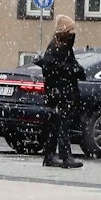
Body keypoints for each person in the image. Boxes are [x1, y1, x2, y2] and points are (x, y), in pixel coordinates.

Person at [36, 17, 86, 169]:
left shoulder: (62, 48)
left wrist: (75, 71)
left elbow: (70, 67)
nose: (74, 35)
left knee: (56, 125)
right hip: (60, 94)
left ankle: (50, 156)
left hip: (61, 93)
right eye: (71, 31)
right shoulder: (57, 49)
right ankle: (64, 156)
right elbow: (56, 69)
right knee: (61, 125)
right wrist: (73, 71)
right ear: (65, 33)